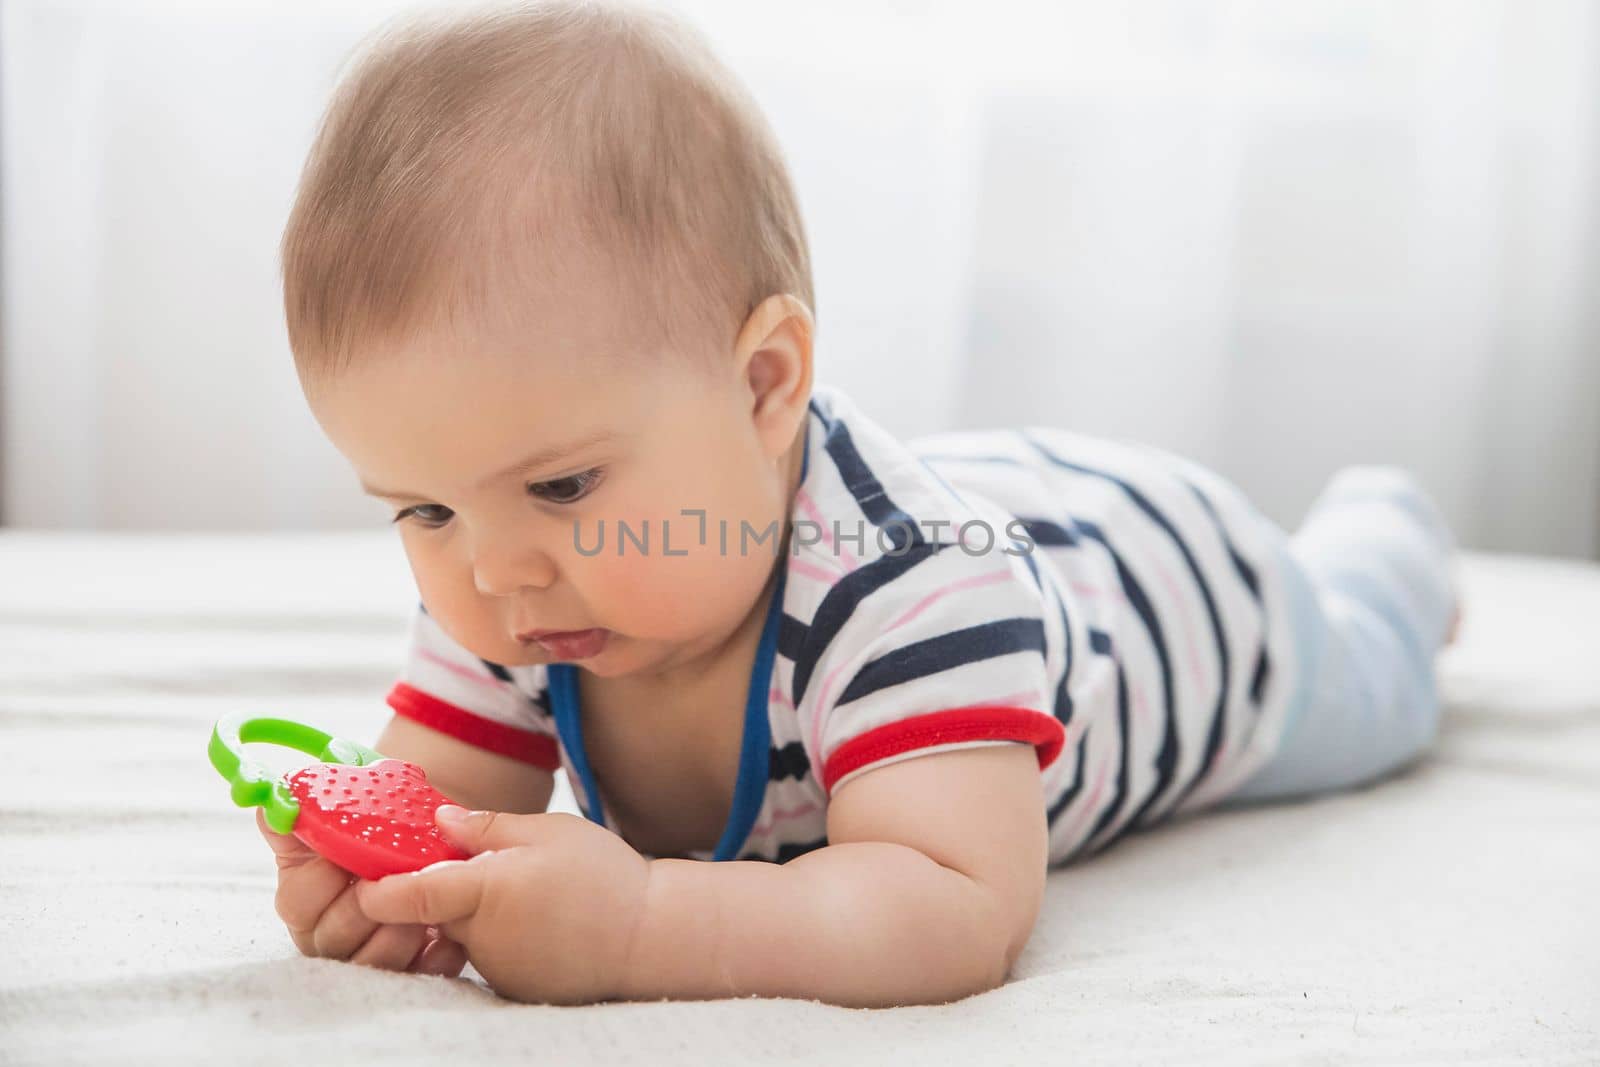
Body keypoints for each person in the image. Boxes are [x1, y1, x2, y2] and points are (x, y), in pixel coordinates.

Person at [261, 0, 1460, 1008]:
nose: (491, 570)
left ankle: (1386, 541)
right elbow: (451, 810)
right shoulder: (517, 576)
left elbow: (953, 905)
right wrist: (386, 879)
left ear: (764, 384)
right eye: (421, 510)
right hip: (991, 498)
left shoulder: (911, 599)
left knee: (1377, 673)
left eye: (564, 485)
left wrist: (640, 922)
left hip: (1194, 602)